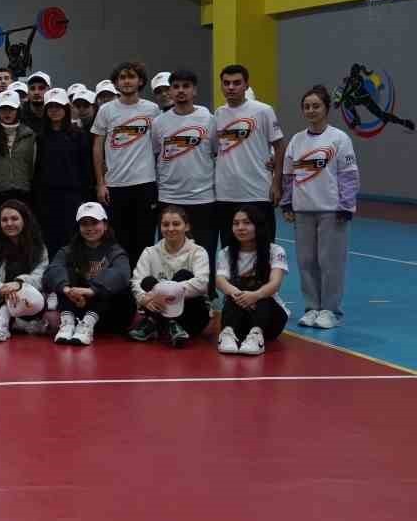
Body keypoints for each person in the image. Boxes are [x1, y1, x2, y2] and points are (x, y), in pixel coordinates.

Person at [283, 84, 359, 330]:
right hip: (303, 210)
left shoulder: (339, 139)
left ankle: (330, 310)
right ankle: (312, 308)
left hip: (331, 211)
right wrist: (287, 203)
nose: (311, 110)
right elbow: (288, 176)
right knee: (306, 262)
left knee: (330, 262)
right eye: (306, 106)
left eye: (316, 106)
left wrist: (346, 206)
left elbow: (349, 175)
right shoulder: (296, 140)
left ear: (326, 108)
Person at [91, 61, 159, 262]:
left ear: (141, 81)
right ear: (115, 83)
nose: (127, 81)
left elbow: (159, 145)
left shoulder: (152, 109)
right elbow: (97, 147)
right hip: (115, 185)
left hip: (145, 184)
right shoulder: (106, 110)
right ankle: (121, 279)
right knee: (118, 241)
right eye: (122, 77)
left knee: (145, 240)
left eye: (131, 77)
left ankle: (143, 280)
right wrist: (101, 183)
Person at [212, 63, 285, 247]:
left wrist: (277, 183)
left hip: (258, 193)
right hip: (225, 195)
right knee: (229, 251)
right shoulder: (218, 114)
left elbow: (279, 146)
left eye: (237, 83)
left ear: (246, 85)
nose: (231, 87)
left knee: (263, 249)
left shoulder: (263, 111)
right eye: (226, 83)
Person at [151, 69, 218, 270]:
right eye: (176, 86)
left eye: (186, 86)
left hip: (203, 198)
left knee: (204, 254)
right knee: (169, 254)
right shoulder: (159, 123)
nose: (181, 91)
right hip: (169, 197)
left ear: (194, 90)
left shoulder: (208, 119)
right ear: (171, 91)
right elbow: (156, 153)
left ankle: (207, 289)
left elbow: (216, 152)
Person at [43, 201, 132, 346]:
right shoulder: (68, 250)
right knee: (65, 274)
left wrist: (92, 290)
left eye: (94, 223)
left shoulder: (115, 251)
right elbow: (52, 271)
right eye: (84, 224)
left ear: (105, 225)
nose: (90, 228)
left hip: (105, 314)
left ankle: (87, 324)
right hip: (76, 306)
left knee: (115, 283)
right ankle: (67, 323)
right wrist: (67, 290)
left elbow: (122, 274)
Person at [131, 204, 210, 348]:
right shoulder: (150, 252)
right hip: (158, 311)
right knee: (147, 281)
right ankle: (170, 325)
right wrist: (144, 298)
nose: (171, 228)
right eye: (165, 224)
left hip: (191, 316)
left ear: (187, 226)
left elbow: (202, 283)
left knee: (183, 275)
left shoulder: (198, 252)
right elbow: (137, 281)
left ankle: (159, 324)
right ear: (160, 227)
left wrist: (165, 291)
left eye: (176, 224)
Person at [0, 199, 48, 341]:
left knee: (38, 301)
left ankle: (3, 321)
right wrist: (3, 290)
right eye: (4, 220)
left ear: (24, 220)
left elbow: (40, 276)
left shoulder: (39, 247)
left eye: (14, 219)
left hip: (26, 299)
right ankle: (18, 324)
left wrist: (19, 284)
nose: (9, 223)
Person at [214, 204, 289, 355]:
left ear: (258, 226)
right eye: (236, 223)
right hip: (240, 317)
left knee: (258, 286)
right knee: (234, 290)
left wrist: (255, 295)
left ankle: (256, 335)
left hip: (271, 319)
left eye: (247, 223)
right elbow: (220, 280)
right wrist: (239, 295)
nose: (240, 228)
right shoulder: (226, 252)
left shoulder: (275, 251)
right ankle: (228, 333)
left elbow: (275, 283)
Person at [33, 88, 93, 254]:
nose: (54, 110)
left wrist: (85, 197)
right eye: (51, 107)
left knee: (72, 239)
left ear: (66, 109)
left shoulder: (79, 135)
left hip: (72, 197)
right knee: (49, 238)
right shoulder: (40, 137)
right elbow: (37, 170)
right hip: (47, 198)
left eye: (58, 107)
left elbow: (85, 169)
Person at [0, 89, 35, 241]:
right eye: (3, 109)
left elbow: (32, 164)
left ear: (18, 110)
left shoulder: (29, 134)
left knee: (22, 236)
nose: (7, 113)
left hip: (22, 193)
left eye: (11, 109)